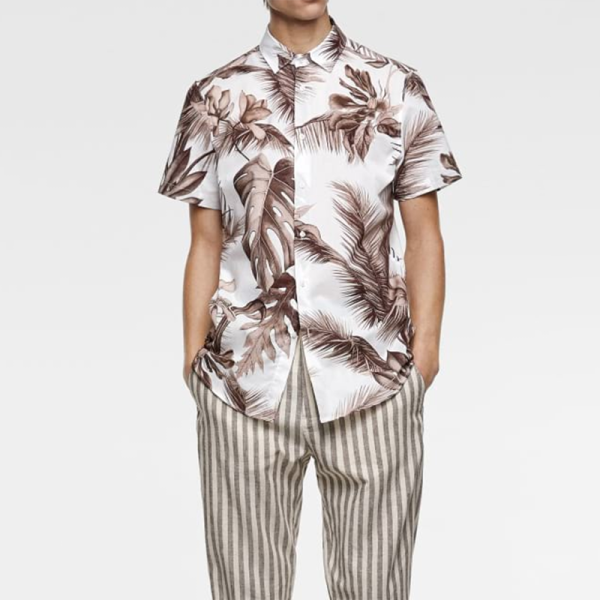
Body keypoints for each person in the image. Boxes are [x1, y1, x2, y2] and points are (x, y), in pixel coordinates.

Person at [157, 1, 462, 598]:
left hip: (373, 378)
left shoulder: (395, 88)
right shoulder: (214, 96)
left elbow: (425, 233)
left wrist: (423, 357)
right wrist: (195, 363)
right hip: (243, 384)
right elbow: (205, 241)